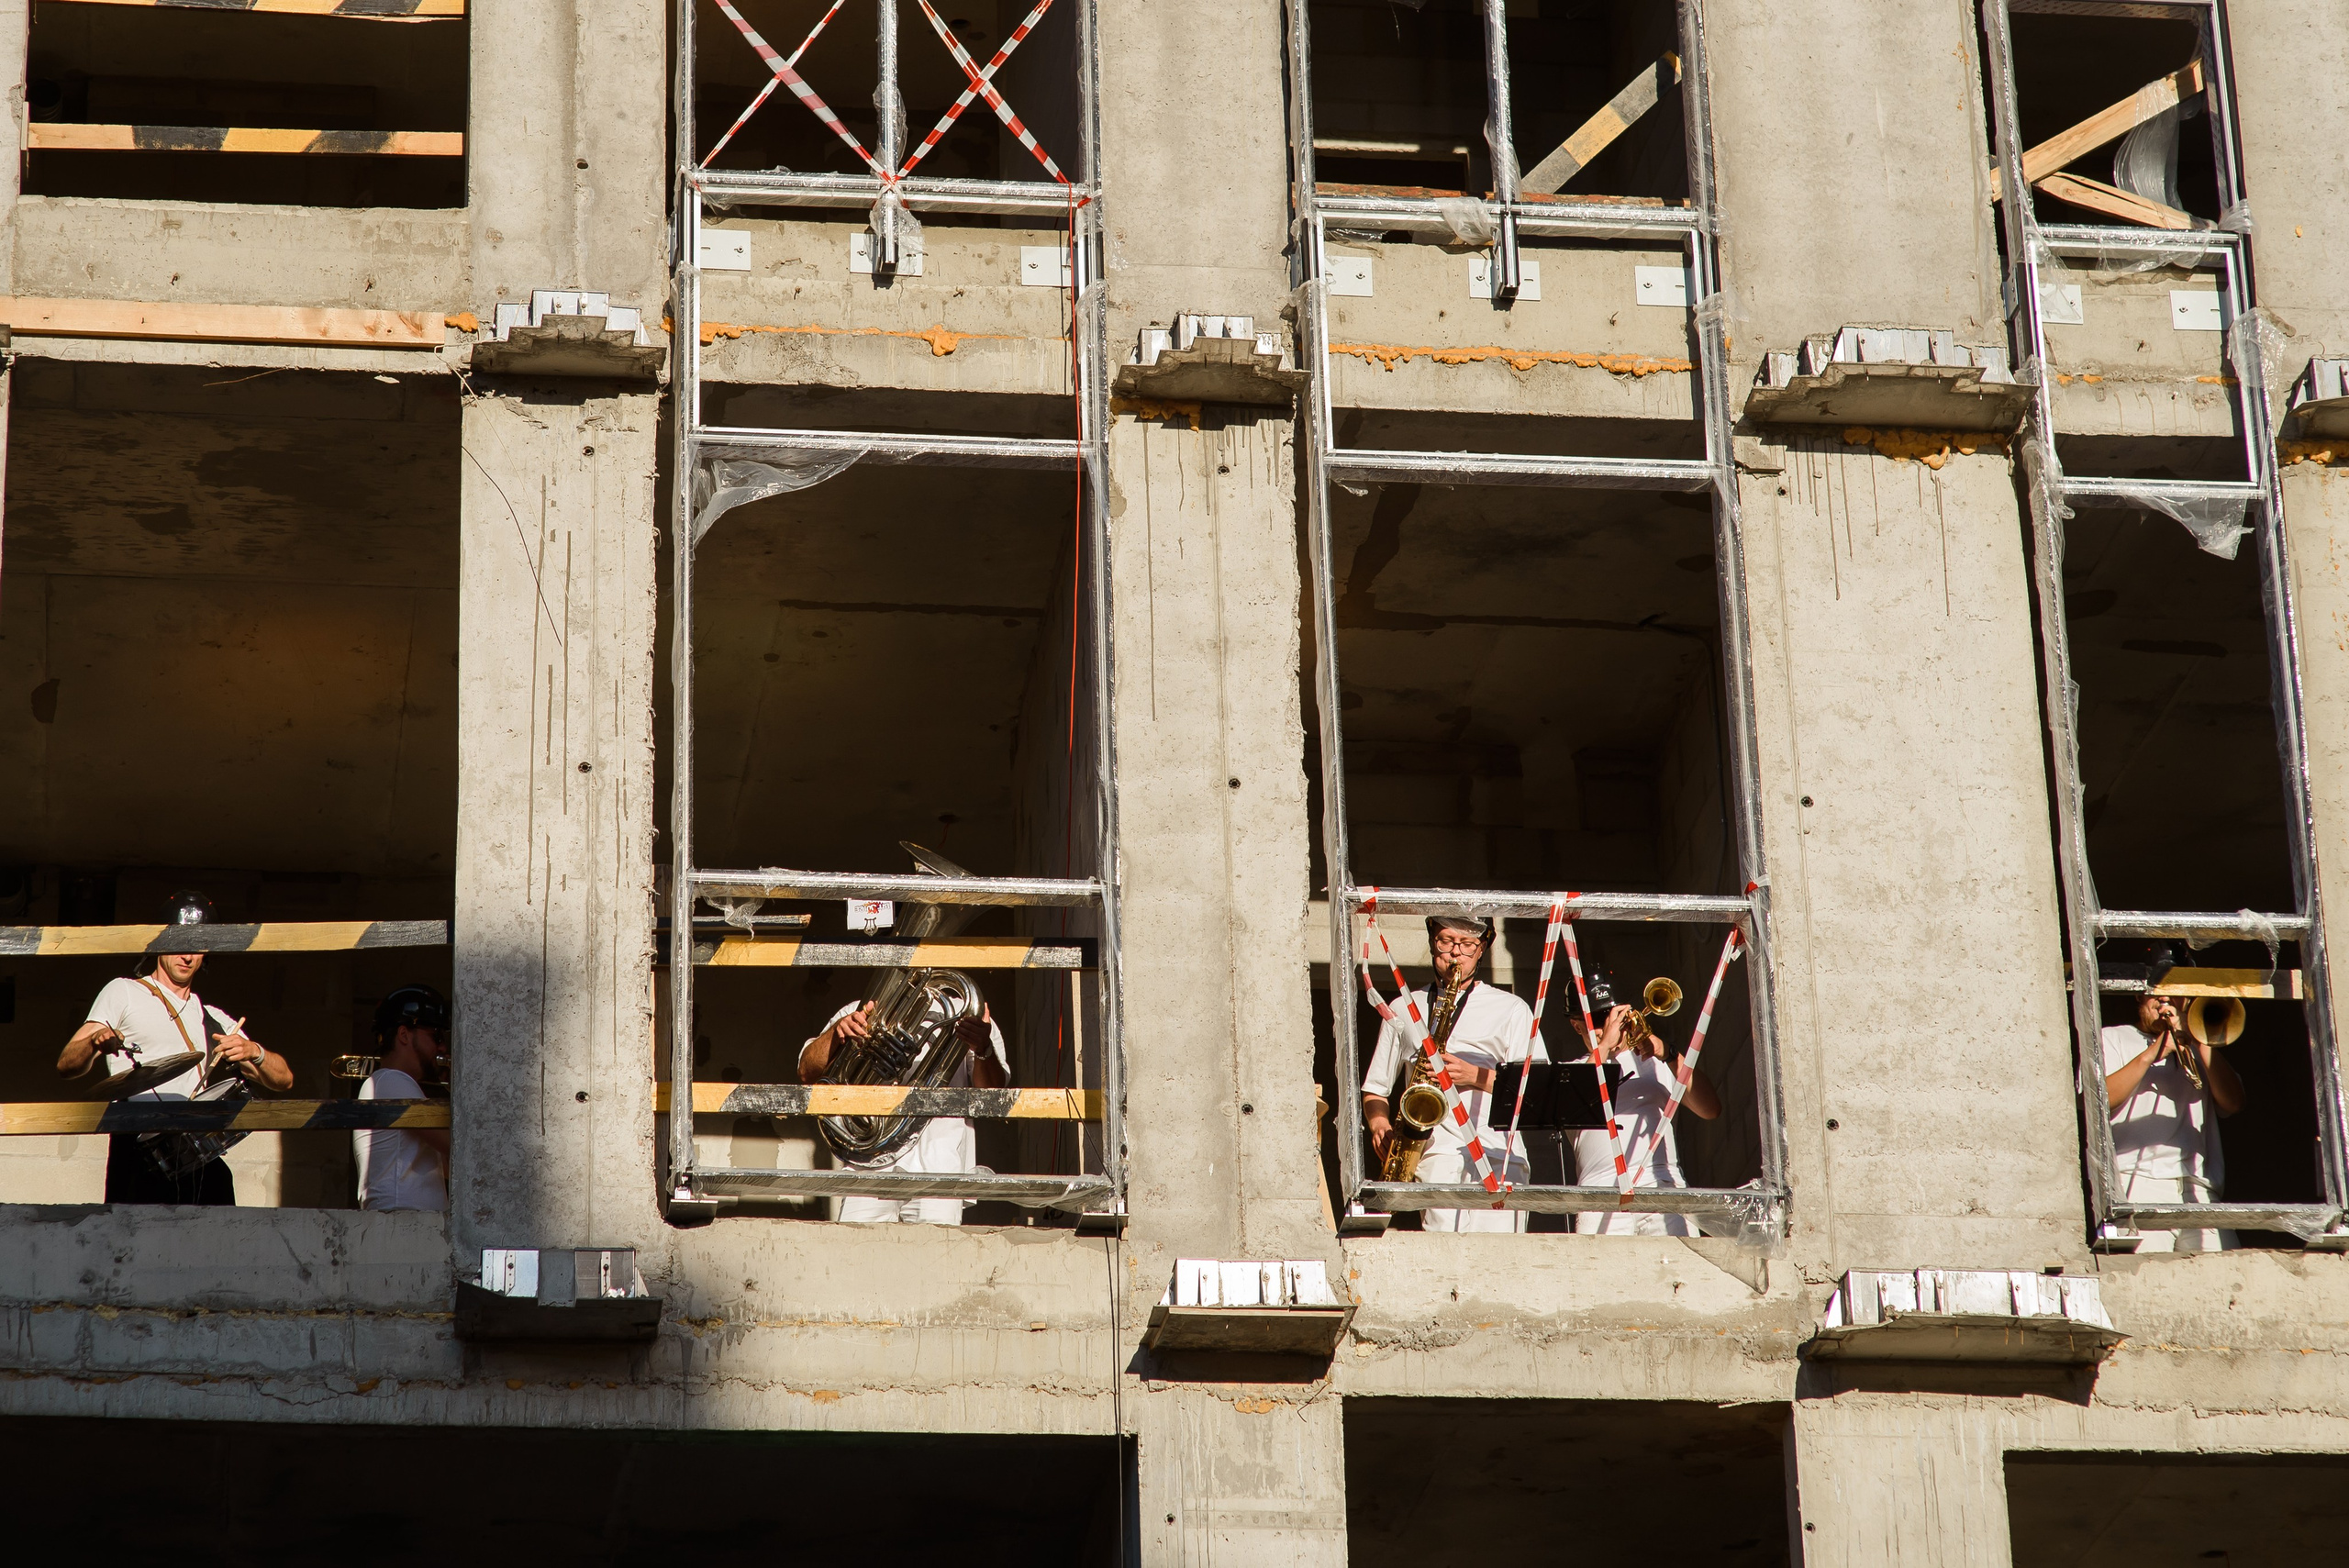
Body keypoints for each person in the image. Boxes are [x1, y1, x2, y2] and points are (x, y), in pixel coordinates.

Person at [55, 891, 291, 1206]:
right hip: (138, 1144)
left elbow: (284, 1079)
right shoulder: (123, 991)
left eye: (198, 947)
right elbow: (67, 1065)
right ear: (159, 942)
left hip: (193, 1148)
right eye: (179, 943)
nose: (187, 956)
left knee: (219, 1211)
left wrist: (254, 1052)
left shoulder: (212, 1018)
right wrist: (94, 1043)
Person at [1362, 915, 1548, 1233]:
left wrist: (1476, 1076)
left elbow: (1538, 1091)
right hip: (1437, 1158)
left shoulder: (1512, 1009)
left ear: (1482, 949)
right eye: (1446, 941)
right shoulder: (1404, 1007)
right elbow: (1375, 1088)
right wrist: (1379, 1124)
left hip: (1500, 1156)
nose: (1455, 953)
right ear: (1433, 944)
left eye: (1467, 944)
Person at [800, 985, 1010, 1225]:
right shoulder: (860, 1010)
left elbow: (992, 1093)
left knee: (936, 1255)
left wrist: (983, 1048)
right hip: (868, 1163)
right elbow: (807, 1071)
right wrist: (838, 1033)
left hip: (939, 1166)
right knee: (856, 1254)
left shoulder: (968, 1013)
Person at [1569, 973, 1721, 1237]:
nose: (1609, 1026)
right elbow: (1576, 1098)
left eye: (1611, 1015)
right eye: (1597, 1019)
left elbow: (1709, 1109)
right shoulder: (1572, 1071)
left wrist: (1669, 1054)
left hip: (1663, 1184)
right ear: (1577, 1026)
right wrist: (1605, 1045)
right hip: (1600, 1191)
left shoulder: (1655, 1062)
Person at [2103, 987, 2244, 1252]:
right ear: (2138, 996)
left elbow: (2234, 1103)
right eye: (2155, 993)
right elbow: (2101, 1100)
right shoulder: (2113, 1037)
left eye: (2175, 993)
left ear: (2188, 1000)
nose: (2165, 1000)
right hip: (2138, 1183)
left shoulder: (2201, 1047)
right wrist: (2152, 1054)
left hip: (2199, 1187)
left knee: (2225, 1279)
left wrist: (2201, 1039)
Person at [355, 984, 453, 1213]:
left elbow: (448, 1166)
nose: (442, 1046)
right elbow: (458, 1144)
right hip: (401, 1217)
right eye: (435, 1036)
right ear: (404, 1034)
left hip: (406, 1219)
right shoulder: (392, 1080)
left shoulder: (393, 1083)